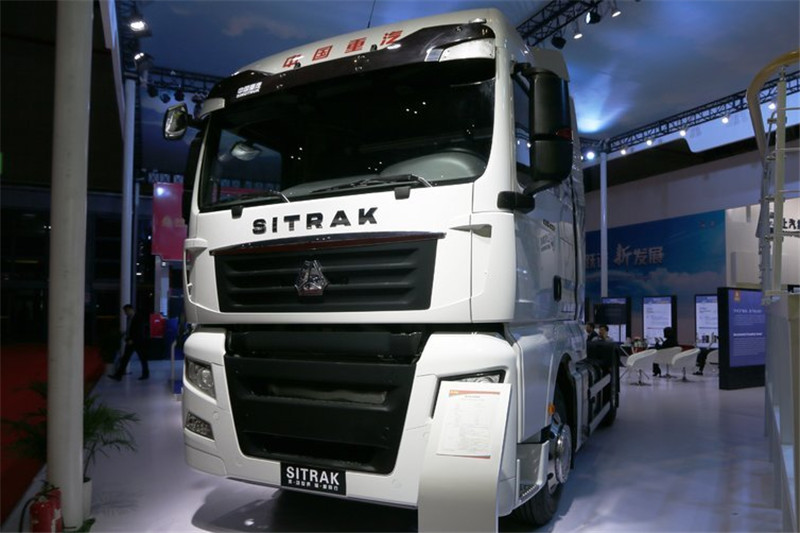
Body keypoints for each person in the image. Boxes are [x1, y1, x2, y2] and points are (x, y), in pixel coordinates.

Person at [109, 304, 150, 381]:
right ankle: (118, 375)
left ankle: (145, 374)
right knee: (125, 358)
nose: (125, 313)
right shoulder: (129, 318)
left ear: (130, 309)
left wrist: (133, 340)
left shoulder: (138, 318)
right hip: (130, 341)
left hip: (138, 341)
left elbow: (140, 331)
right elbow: (130, 329)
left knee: (142, 358)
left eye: (126, 311)